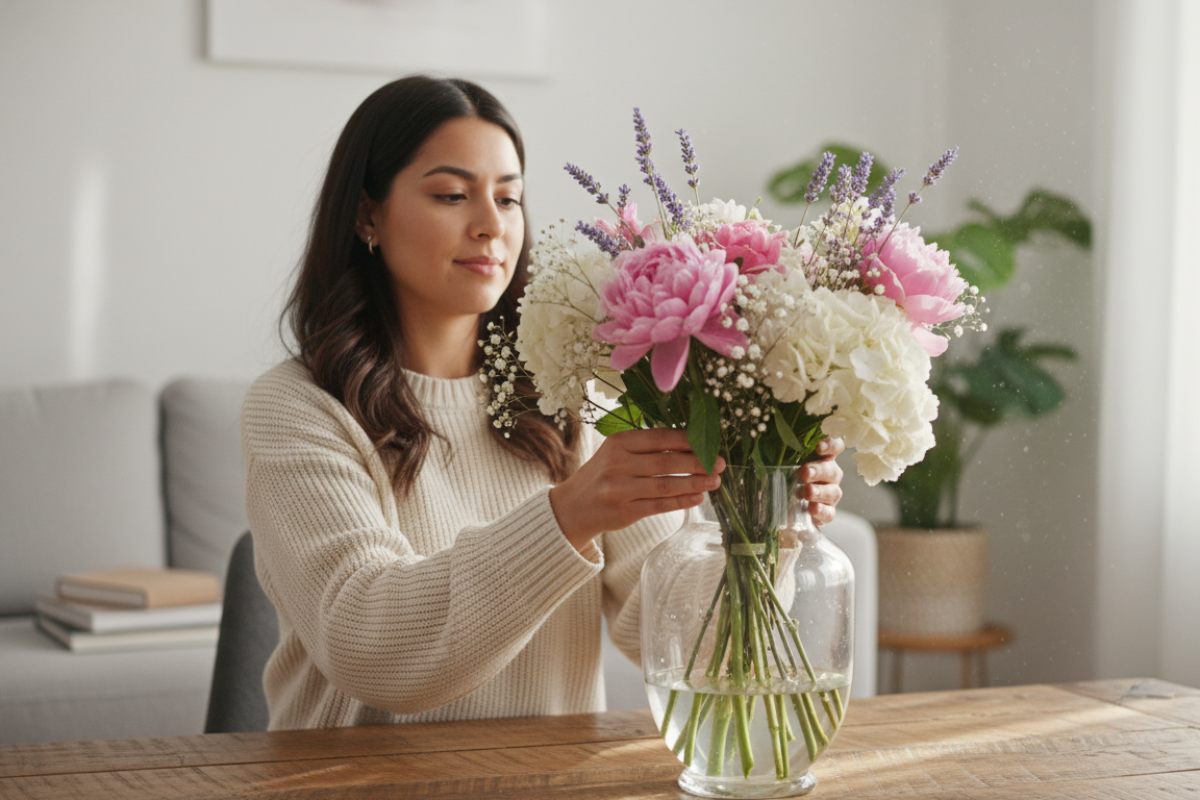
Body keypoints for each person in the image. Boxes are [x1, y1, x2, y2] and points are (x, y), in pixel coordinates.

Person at [241, 75, 846, 731]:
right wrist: (567, 515)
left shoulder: (568, 394)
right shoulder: (299, 408)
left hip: (548, 779)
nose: (490, 225)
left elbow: (690, 643)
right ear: (367, 216)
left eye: (509, 198)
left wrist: (772, 518)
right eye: (452, 195)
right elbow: (371, 646)